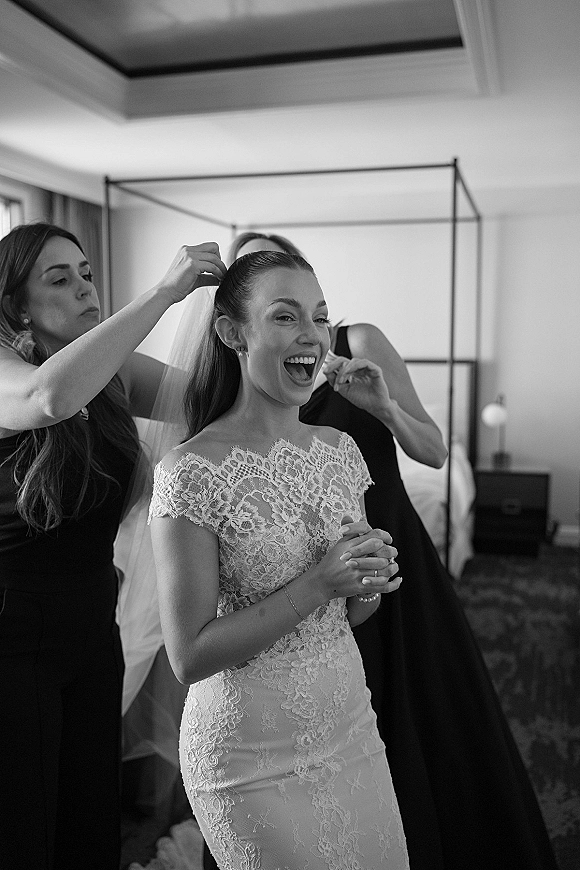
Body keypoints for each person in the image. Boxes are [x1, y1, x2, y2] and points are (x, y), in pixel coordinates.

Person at [230, 232, 559, 870]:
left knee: (415, 718)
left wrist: (383, 408)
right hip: (303, 569)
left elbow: (433, 452)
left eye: (311, 308)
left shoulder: (358, 344)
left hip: (389, 556)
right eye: (278, 307)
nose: (305, 327)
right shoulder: (248, 379)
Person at [148, 250, 409, 869]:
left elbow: (350, 616)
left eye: (319, 319)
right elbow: (189, 656)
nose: (311, 337)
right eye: (286, 317)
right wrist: (321, 583)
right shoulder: (190, 472)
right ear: (232, 332)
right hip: (247, 754)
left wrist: (366, 580)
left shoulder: (340, 451)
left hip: (348, 725)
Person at [0, 222, 226, 870]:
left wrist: (296, 350)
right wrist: (163, 293)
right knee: (20, 824)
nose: (83, 289)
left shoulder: (114, 372)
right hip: (11, 634)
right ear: (17, 306)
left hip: (93, 624)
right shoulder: (8, 371)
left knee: (87, 817)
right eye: (59, 279)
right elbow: (48, 396)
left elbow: (209, 399)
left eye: (86, 274)